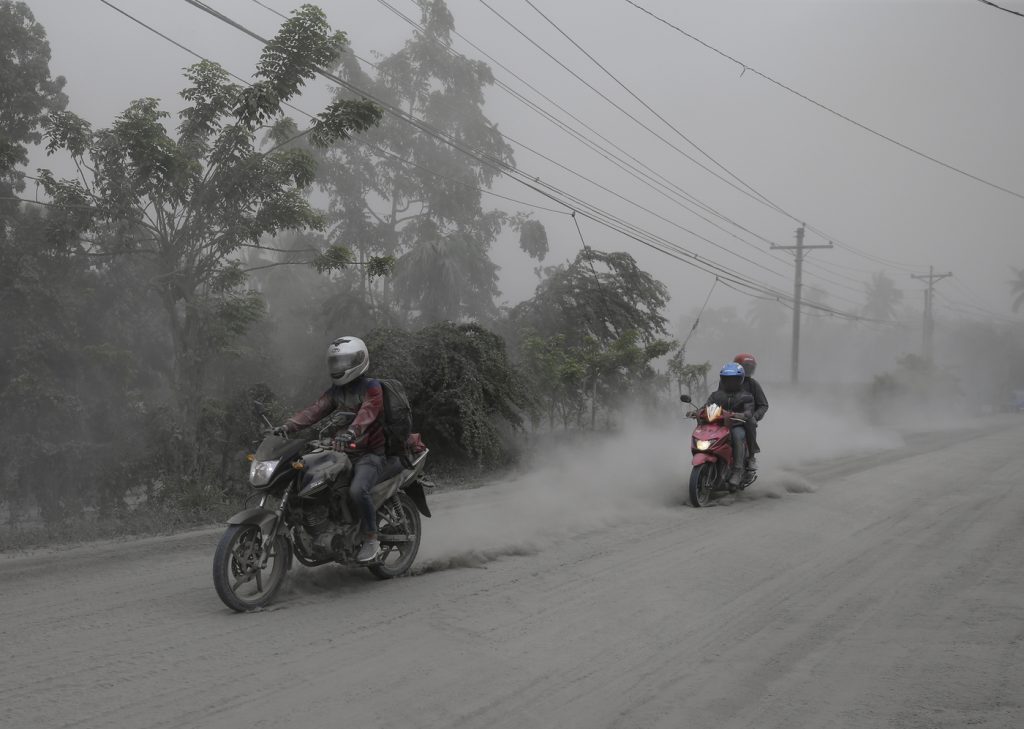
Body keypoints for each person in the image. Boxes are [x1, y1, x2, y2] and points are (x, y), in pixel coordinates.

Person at [273, 336, 391, 563]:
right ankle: (324, 525)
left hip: (370, 454)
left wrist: (352, 432)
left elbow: (367, 413)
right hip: (342, 451)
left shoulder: (372, 388)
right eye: (336, 362)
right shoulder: (336, 392)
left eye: (345, 362)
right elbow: (314, 411)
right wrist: (288, 426)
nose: (340, 367)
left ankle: (371, 538)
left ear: (359, 361)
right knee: (309, 478)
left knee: (357, 490)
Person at [703, 362, 755, 488]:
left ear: (740, 380)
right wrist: (696, 412)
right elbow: (707, 407)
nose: (730, 382)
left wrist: (743, 415)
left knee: (738, 436)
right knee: (703, 434)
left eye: (734, 379)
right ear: (722, 379)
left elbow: (749, 410)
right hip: (718, 425)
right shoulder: (716, 395)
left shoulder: (746, 396)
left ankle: (737, 471)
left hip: (736, 425)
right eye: (727, 379)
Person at [733, 353, 768, 471]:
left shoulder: (753, 384)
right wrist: (703, 410)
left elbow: (763, 405)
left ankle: (751, 457)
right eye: (745, 367)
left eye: (750, 367)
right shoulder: (726, 382)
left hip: (745, 418)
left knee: (750, 422)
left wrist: (755, 416)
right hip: (728, 417)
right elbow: (716, 399)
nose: (748, 370)